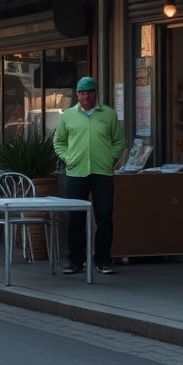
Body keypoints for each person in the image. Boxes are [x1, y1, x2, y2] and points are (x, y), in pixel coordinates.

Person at [53, 76, 125, 275]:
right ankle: (75, 260)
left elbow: (119, 141)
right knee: (75, 216)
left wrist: (111, 158)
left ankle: (103, 259)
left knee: (104, 216)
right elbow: (58, 142)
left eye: (89, 92)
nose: (85, 96)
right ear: (77, 94)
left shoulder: (108, 115)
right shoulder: (68, 115)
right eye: (82, 93)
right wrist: (68, 158)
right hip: (76, 172)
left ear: (95, 93)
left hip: (102, 172)